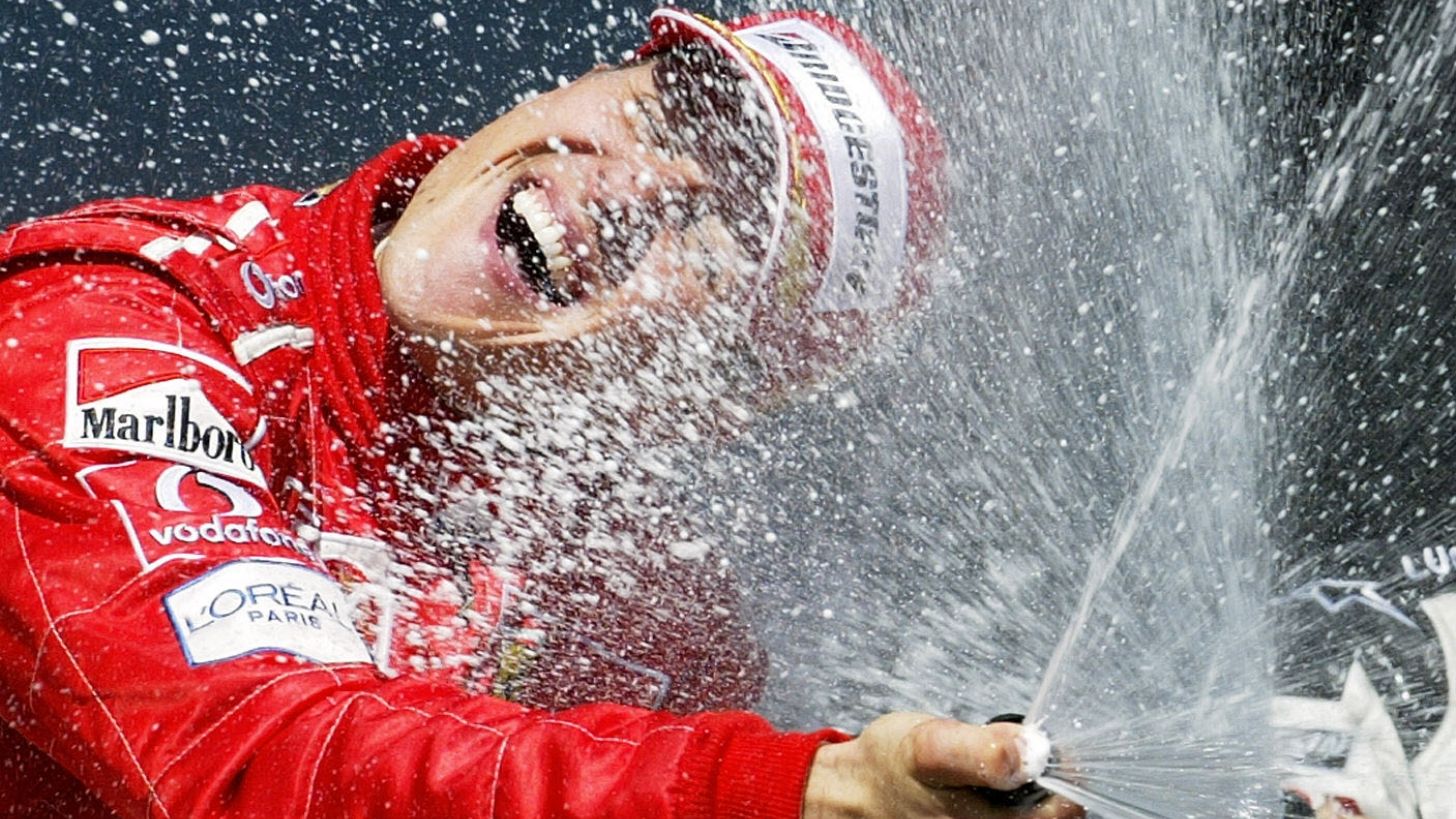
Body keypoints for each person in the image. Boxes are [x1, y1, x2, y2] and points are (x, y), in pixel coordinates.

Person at [0, 7, 1081, 817]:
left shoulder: (648, 617)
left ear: (708, 405)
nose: (635, 190)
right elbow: (257, 757)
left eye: (716, 241)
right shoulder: (103, 316)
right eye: (663, 111)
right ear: (584, 77)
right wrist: (793, 792)